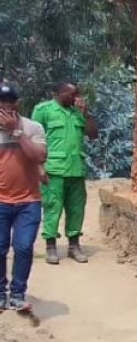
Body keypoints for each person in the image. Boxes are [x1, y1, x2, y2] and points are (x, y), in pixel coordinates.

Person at [31, 82, 97, 265]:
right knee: (53, 208)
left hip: (76, 169)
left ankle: (74, 246)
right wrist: (39, 167)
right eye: (72, 94)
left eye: (77, 95)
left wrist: (86, 113)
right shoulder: (43, 110)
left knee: (77, 210)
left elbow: (93, 134)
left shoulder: (78, 113)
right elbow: (33, 139)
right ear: (59, 94)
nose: (76, 98)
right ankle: (50, 246)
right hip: (54, 170)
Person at [0, 85, 48, 313]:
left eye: (8, 101)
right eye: (1, 101)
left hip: (29, 201)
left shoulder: (32, 127)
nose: (3, 105)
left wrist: (17, 133)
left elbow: (40, 155)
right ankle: (1, 294)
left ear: (16, 104)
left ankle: (18, 294)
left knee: (24, 247)